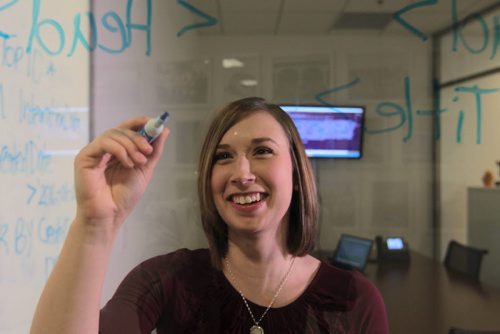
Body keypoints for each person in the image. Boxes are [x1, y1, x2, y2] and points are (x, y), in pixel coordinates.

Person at [31, 97, 389, 333]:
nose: (242, 173)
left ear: (296, 174)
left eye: (262, 150)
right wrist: (95, 223)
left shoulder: (354, 300)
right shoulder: (167, 280)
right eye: (223, 156)